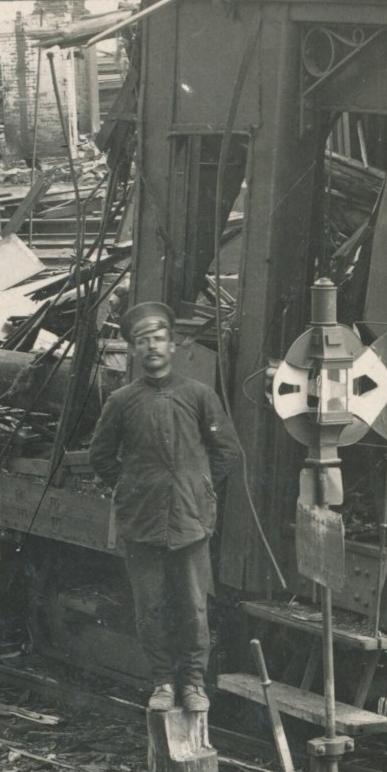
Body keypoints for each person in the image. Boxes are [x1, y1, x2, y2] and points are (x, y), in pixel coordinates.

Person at [88, 300, 242, 713]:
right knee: (150, 609)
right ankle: (162, 683)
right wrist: (131, 487)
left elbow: (226, 451)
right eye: (143, 341)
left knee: (193, 608)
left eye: (158, 339)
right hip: (142, 522)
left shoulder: (198, 395)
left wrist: (199, 487)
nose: (152, 346)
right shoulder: (122, 401)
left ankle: (193, 684)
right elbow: (100, 455)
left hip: (190, 521)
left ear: (172, 345)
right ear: (134, 350)